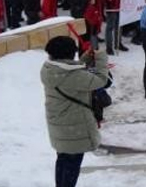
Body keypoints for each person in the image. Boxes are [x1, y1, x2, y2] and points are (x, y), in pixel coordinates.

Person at [41, 36, 109, 187]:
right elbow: (100, 80)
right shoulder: (72, 76)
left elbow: (70, 69)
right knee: (71, 166)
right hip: (74, 128)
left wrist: (84, 59)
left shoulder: (49, 69)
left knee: (63, 161)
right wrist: (102, 58)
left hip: (60, 125)